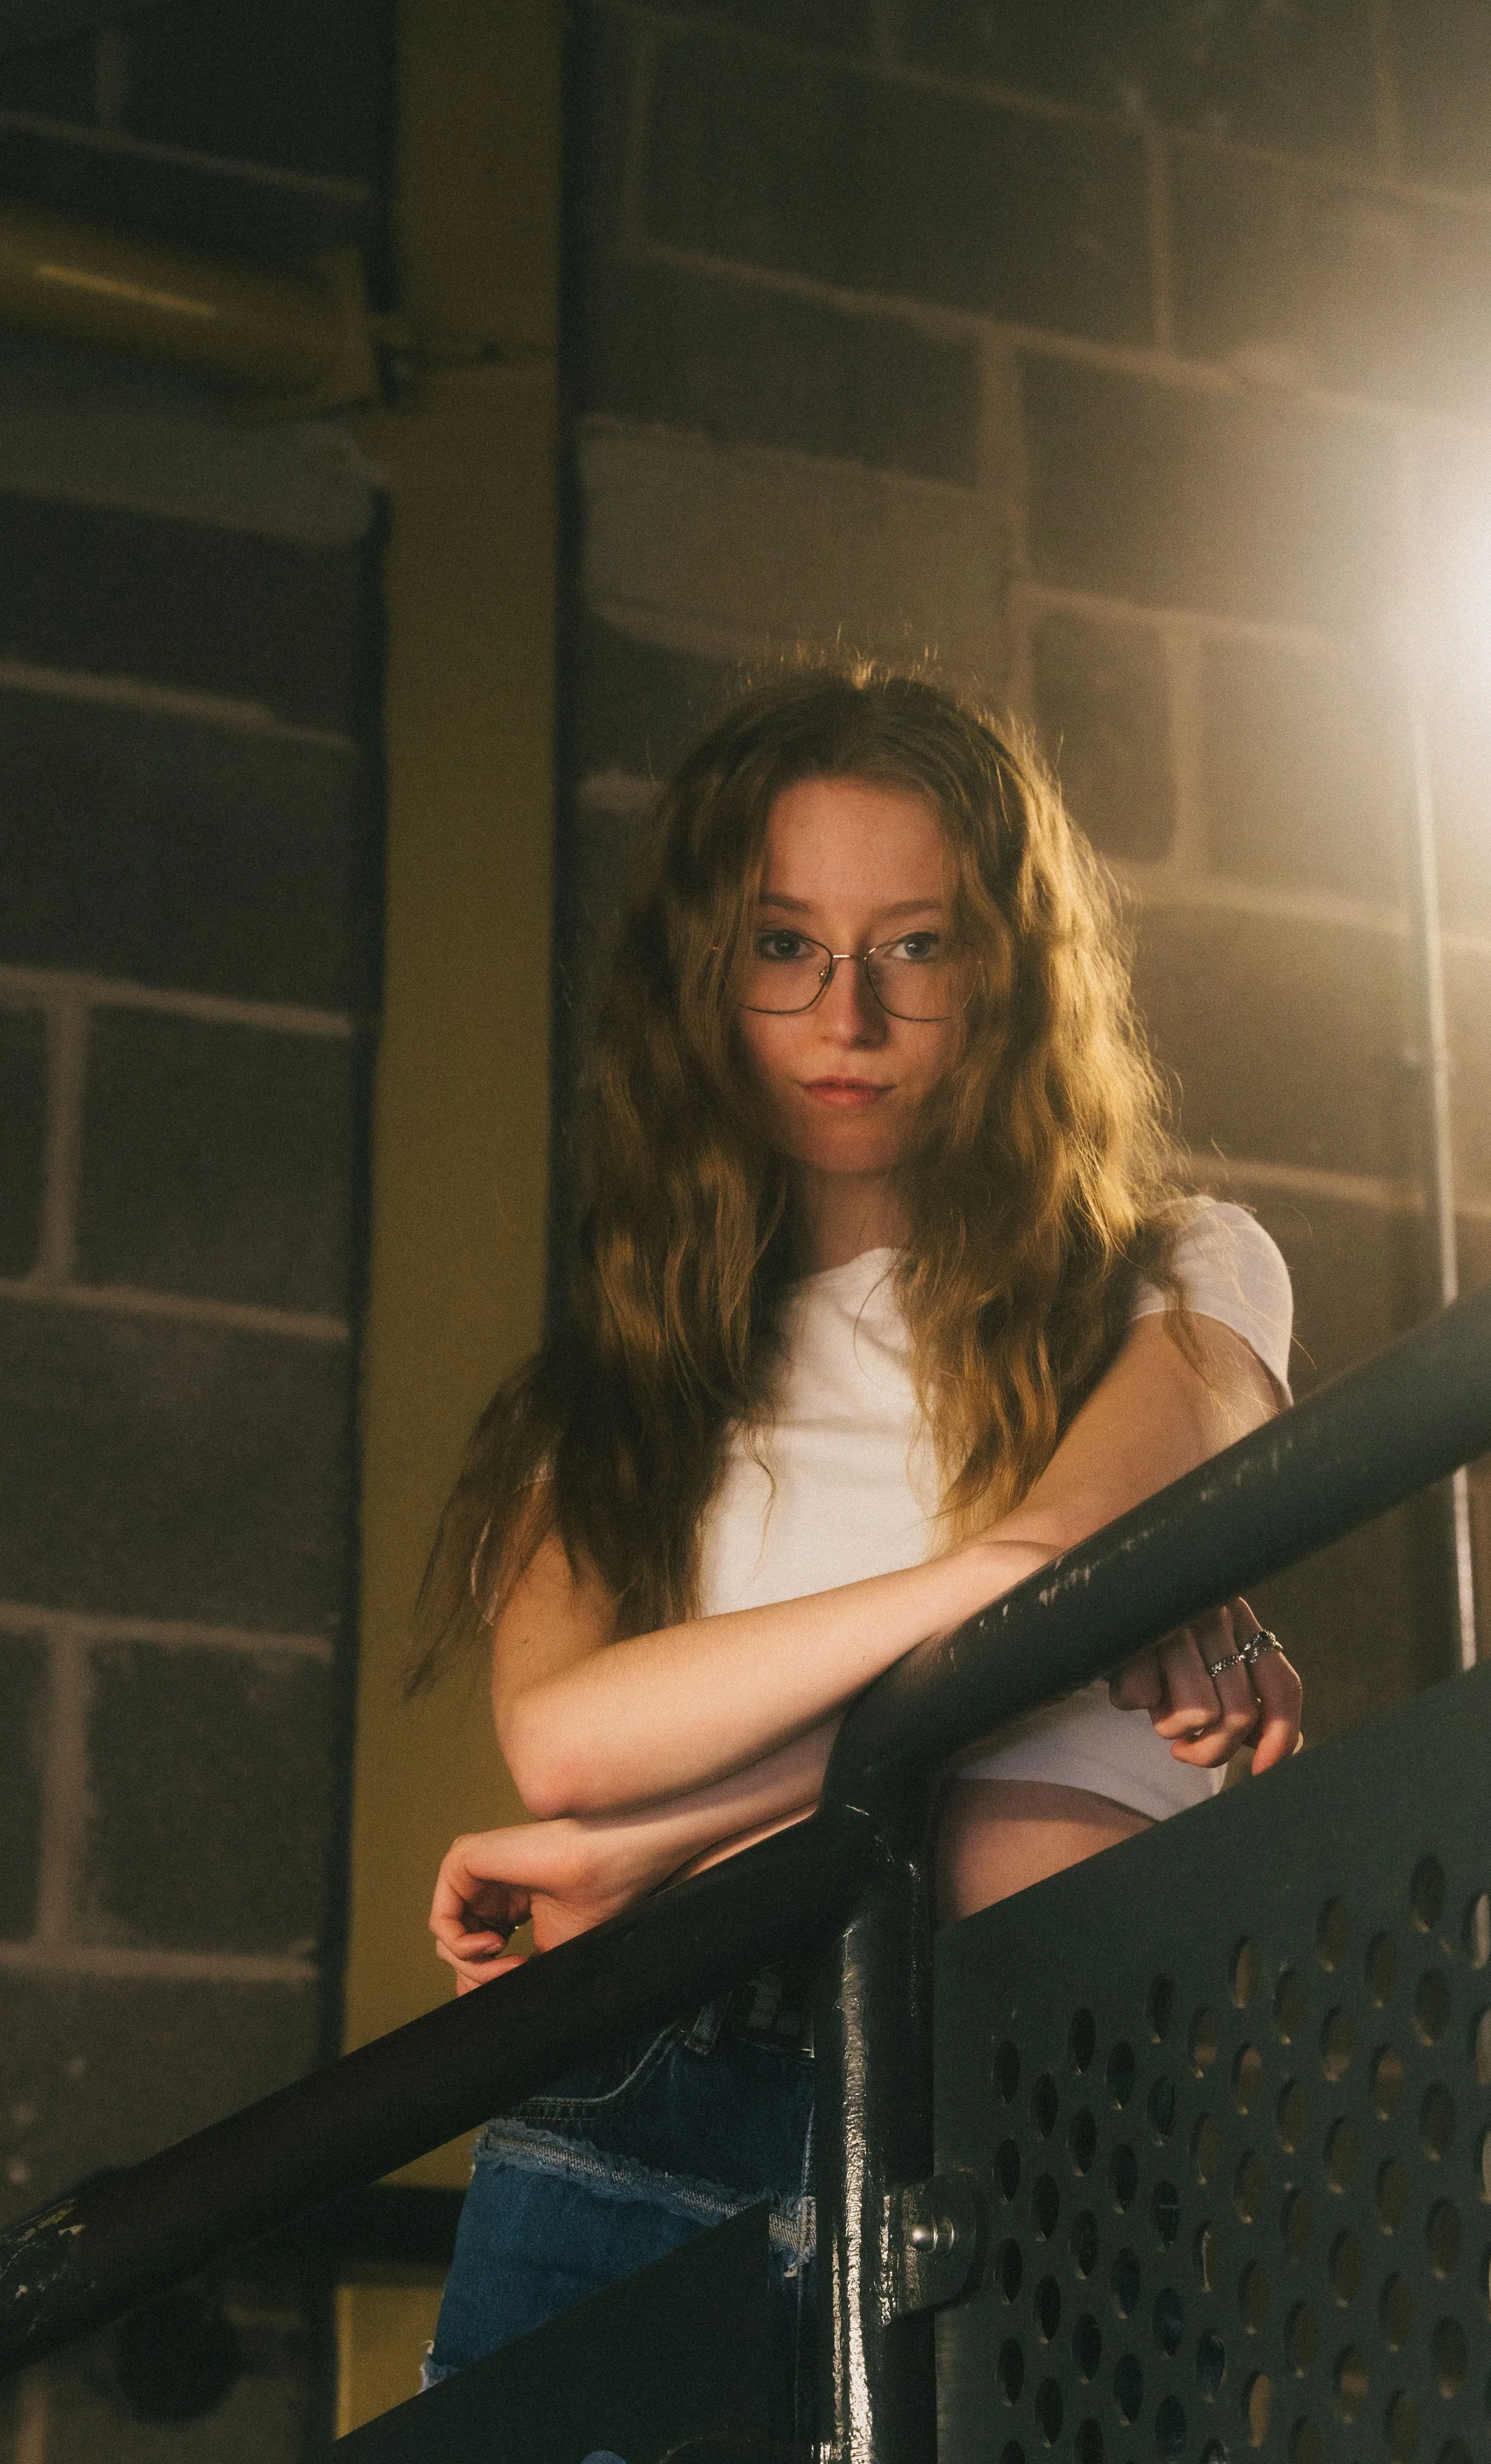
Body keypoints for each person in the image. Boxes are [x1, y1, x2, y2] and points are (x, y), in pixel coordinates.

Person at [412, 664, 1303, 2426]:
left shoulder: (1180, 1270)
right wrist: (1017, 1603)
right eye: (781, 945)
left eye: (914, 944)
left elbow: (1061, 1544)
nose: (849, 1014)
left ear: (1002, 972)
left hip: (1028, 2080)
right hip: (666, 2083)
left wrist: (661, 1836)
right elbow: (565, 1738)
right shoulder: (615, 1397)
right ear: (704, 979)